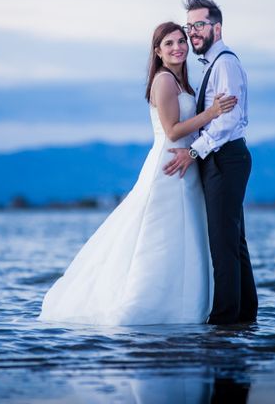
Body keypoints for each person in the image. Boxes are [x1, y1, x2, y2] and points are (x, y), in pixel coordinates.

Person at [38, 21, 236, 325]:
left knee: (186, 237)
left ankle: (187, 307)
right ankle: (149, 305)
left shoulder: (183, 83)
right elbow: (172, 131)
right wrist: (211, 113)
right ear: (157, 51)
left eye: (181, 41)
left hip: (187, 162)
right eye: (168, 44)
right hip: (169, 163)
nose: (178, 47)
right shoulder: (164, 81)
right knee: (159, 236)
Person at [163, 0, 258, 324]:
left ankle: (224, 324)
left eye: (199, 25)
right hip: (224, 158)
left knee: (223, 245)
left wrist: (193, 152)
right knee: (233, 242)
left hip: (225, 158)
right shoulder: (213, 64)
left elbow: (227, 122)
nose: (193, 33)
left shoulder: (226, 63)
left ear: (217, 27)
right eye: (190, 26)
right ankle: (244, 318)